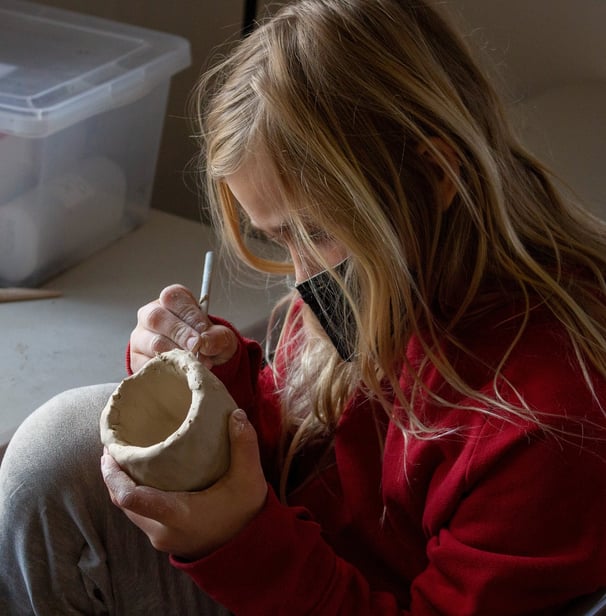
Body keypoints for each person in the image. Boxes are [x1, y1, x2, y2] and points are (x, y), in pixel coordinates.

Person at [2, 0, 606, 613]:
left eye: (314, 231)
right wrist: (216, 387)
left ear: (434, 174)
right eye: (278, 238)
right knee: (58, 449)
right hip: (300, 564)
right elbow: (304, 451)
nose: (299, 277)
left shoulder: (546, 431)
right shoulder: (377, 275)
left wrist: (235, 540)